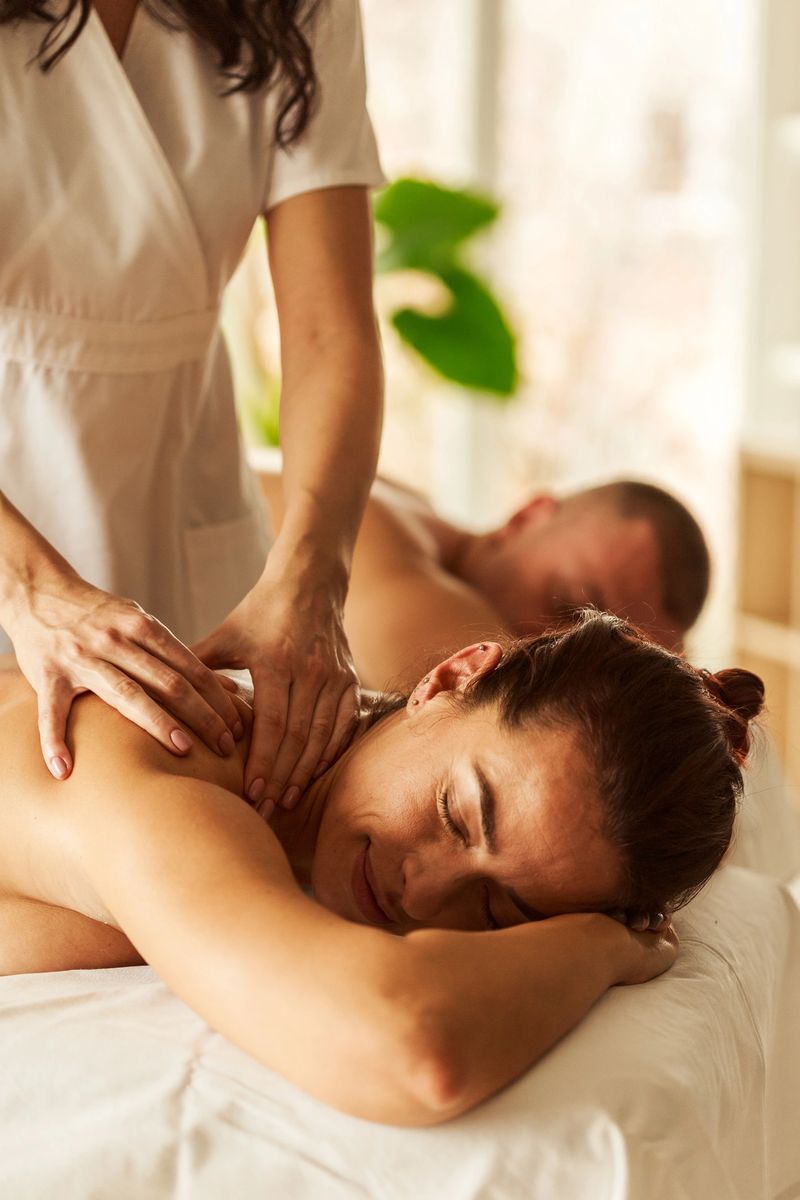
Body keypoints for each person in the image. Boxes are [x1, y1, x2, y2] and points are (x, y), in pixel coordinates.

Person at [0, 610, 763, 1125]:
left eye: (495, 910)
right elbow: (409, 1046)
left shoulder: (307, 802)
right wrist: (607, 949)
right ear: (450, 680)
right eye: (456, 813)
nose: (422, 895)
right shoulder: (158, 754)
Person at [0, 0, 384, 818]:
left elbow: (329, 330)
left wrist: (311, 577)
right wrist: (27, 587)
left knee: (200, 824)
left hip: (185, 515)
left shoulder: (299, 10)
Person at [259, 471, 711, 690]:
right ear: (527, 517)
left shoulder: (412, 519)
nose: (564, 650)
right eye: (570, 607)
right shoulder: (375, 532)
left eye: (605, 664)